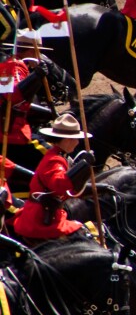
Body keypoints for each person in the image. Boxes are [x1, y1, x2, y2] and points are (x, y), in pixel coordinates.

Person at [11, 114, 94, 242]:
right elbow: (59, 185)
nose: (77, 142)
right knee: (84, 237)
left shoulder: (57, 155)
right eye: (75, 139)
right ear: (66, 140)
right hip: (40, 220)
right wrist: (83, 166)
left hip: (48, 215)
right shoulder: (55, 160)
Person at [0, 30, 53, 171]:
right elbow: (13, 96)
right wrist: (36, 76)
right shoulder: (16, 65)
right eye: (38, 51)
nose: (39, 55)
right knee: (54, 156)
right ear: (30, 51)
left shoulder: (7, 63)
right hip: (13, 133)